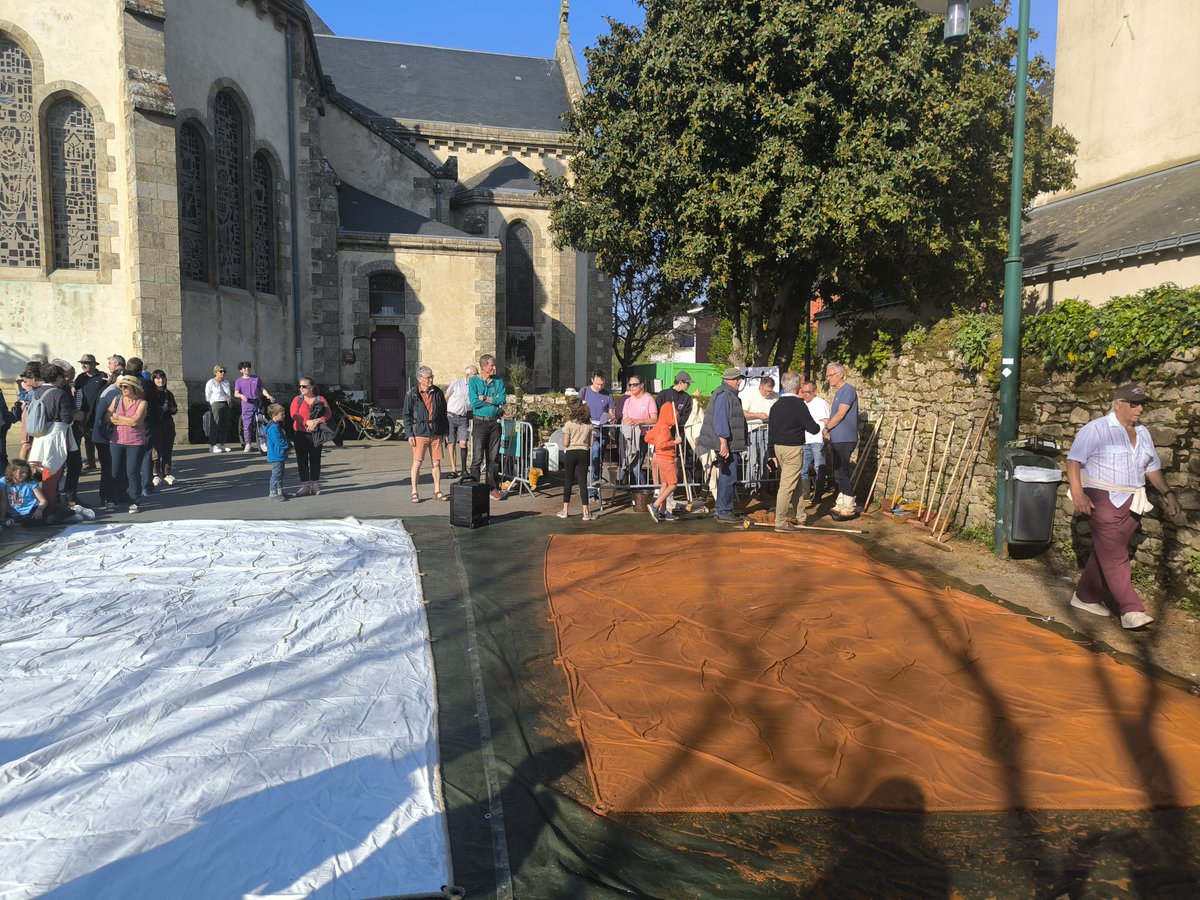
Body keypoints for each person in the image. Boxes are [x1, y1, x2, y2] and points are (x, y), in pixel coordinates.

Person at [1066, 383, 1183, 630]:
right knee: (1115, 554)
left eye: (1142, 405)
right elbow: (1073, 461)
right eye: (1134, 404)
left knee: (1108, 550)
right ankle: (1130, 610)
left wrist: (1168, 493)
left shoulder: (1143, 433)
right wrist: (1078, 494)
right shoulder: (1096, 429)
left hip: (1132, 501)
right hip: (1101, 497)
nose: (1140, 409)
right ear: (1117, 405)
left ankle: (1085, 596)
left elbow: (1151, 468)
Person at [768, 372, 821, 532]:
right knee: (786, 486)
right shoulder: (799, 405)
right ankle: (780, 521)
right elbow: (813, 428)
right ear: (798, 386)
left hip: (778, 448)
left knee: (795, 482)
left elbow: (771, 431)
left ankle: (801, 516)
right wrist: (820, 425)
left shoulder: (775, 406)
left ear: (783, 385)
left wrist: (771, 453)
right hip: (793, 449)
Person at [697, 367, 747, 523]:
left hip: (729, 443)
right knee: (728, 478)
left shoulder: (725, 394)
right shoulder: (724, 395)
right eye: (737, 379)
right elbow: (721, 421)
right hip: (727, 444)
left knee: (727, 477)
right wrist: (723, 443)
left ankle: (723, 509)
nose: (739, 382)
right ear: (729, 380)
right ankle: (723, 511)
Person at [402, 365, 450, 502]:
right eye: (428, 377)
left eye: (432, 377)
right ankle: (414, 491)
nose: (431, 380)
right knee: (417, 463)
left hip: (436, 432)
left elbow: (443, 414)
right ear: (420, 379)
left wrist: (445, 432)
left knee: (436, 463)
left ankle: (437, 490)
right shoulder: (412, 394)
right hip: (420, 432)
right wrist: (409, 434)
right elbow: (406, 415)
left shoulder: (438, 392)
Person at [106, 375, 148, 514]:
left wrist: (118, 417)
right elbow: (108, 417)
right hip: (116, 440)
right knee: (115, 471)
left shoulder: (142, 403)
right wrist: (126, 420)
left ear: (134, 388)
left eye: (126, 387)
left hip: (135, 442)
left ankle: (134, 501)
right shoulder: (117, 399)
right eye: (121, 386)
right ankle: (113, 498)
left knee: (132, 472)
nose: (122, 389)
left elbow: (136, 421)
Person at [822, 362, 860, 519]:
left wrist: (827, 428)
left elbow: (840, 414)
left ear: (840, 374)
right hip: (838, 439)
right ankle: (842, 501)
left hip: (845, 439)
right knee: (838, 474)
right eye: (827, 376)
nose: (828, 378)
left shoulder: (847, 391)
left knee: (842, 473)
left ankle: (849, 505)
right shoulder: (839, 392)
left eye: (831, 375)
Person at [468, 354, 507, 500]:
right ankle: (475, 488)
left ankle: (492, 488)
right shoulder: (473, 381)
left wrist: (484, 397)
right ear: (484, 366)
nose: (494, 368)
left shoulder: (498, 381)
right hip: (480, 423)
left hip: (495, 423)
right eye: (492, 365)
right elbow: (474, 402)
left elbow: (502, 399)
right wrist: (493, 400)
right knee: (477, 458)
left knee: (494, 458)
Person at [289, 378, 332, 495]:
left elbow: (328, 413)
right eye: (300, 386)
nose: (301, 388)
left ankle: (315, 485)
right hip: (301, 434)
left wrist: (317, 421)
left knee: (315, 459)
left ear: (311, 387)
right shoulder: (297, 399)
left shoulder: (320, 399)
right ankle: (304, 485)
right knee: (302, 460)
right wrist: (306, 422)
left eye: (304, 386)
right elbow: (293, 414)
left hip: (316, 434)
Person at [645, 391, 681, 523]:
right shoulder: (665, 428)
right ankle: (655, 505)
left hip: (661, 457)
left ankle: (663, 510)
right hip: (666, 458)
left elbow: (647, 437)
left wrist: (657, 443)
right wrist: (674, 442)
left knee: (665, 484)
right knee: (673, 484)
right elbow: (661, 444)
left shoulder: (659, 425)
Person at [580, 369, 615, 500]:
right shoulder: (584, 391)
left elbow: (611, 413)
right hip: (587, 429)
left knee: (598, 458)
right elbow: (577, 410)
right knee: (594, 455)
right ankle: (590, 491)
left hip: (602, 429)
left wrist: (611, 419)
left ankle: (594, 491)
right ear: (592, 380)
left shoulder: (608, 395)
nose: (599, 387)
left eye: (602, 384)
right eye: (597, 384)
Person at [558, 399, 594, 520]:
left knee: (568, 481)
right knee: (582, 482)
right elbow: (591, 443)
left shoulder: (569, 424)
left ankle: (565, 511)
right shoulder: (589, 425)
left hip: (571, 452)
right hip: (583, 452)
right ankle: (586, 512)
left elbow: (565, 443)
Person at [620, 374, 657, 486]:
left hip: (643, 436)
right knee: (631, 464)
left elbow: (655, 419)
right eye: (630, 385)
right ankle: (636, 490)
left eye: (635, 385)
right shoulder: (628, 401)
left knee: (636, 465)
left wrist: (640, 421)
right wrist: (628, 421)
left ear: (641, 385)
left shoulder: (649, 400)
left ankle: (642, 490)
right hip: (630, 437)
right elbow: (624, 417)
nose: (632, 387)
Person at [742, 375, 778, 488]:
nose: (768, 394)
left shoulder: (775, 396)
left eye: (770, 391)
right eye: (766, 391)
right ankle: (751, 486)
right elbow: (743, 413)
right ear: (761, 386)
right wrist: (758, 415)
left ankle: (763, 486)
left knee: (766, 459)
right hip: (753, 430)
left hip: (768, 431)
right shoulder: (750, 395)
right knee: (752, 459)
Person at [799, 379, 831, 501]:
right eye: (803, 392)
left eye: (808, 392)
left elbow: (827, 422)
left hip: (818, 440)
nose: (805, 394)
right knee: (803, 469)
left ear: (814, 392)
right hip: (805, 441)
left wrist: (826, 439)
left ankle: (818, 495)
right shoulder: (803, 405)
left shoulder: (821, 403)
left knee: (819, 467)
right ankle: (805, 494)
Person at [234, 361, 275, 452]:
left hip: (258, 403)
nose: (247, 369)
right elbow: (236, 393)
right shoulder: (239, 381)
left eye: (248, 367)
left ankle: (263, 442)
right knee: (247, 425)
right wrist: (241, 396)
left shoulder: (256, 378)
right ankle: (248, 443)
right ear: (241, 370)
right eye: (244, 368)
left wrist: (268, 396)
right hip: (247, 405)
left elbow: (262, 389)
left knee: (261, 422)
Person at [75, 354, 106, 471]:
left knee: (100, 438)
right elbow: (74, 389)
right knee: (87, 438)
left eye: (86, 363)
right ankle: (91, 462)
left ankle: (105, 462)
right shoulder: (81, 377)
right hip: (85, 412)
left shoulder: (102, 376)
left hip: (98, 411)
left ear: (93, 365)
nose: (83, 365)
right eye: (82, 363)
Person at [444, 364, 476, 478]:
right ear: (467, 375)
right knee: (451, 442)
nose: (476, 376)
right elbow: (446, 396)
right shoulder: (457, 383)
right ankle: (453, 469)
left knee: (463, 442)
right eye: (474, 374)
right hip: (451, 415)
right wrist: (443, 411)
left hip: (464, 417)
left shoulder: (474, 386)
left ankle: (463, 469)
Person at [151, 370, 179, 485]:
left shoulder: (168, 394)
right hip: (156, 424)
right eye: (157, 378)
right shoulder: (151, 394)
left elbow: (174, 409)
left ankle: (167, 473)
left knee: (167, 449)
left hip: (167, 423)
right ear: (153, 380)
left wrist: (172, 408)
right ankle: (155, 474)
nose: (160, 380)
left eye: (162, 378)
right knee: (156, 450)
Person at [1, 459, 48, 527]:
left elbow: (43, 501)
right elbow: (3, 501)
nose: (24, 475)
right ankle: (10, 522)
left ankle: (14, 523)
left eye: (26, 472)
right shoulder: (4, 481)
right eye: (21, 472)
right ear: (12, 471)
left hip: (32, 510)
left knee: (31, 520)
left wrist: (39, 510)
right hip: (15, 513)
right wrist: (2, 518)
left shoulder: (31, 483)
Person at [264, 403, 290, 502]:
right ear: (274, 415)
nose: (283, 416)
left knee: (280, 474)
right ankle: (273, 492)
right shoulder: (273, 427)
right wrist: (288, 446)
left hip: (279, 454)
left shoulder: (275, 426)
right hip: (276, 454)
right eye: (281, 414)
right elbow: (278, 441)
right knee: (276, 474)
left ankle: (280, 491)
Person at [205, 364, 233, 452]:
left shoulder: (226, 382)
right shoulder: (211, 382)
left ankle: (222, 444)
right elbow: (208, 395)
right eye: (220, 371)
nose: (222, 373)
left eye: (224, 371)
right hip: (216, 403)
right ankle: (212, 445)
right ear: (215, 372)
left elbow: (228, 393)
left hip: (225, 403)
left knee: (224, 425)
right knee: (215, 424)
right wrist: (212, 403)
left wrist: (229, 401)